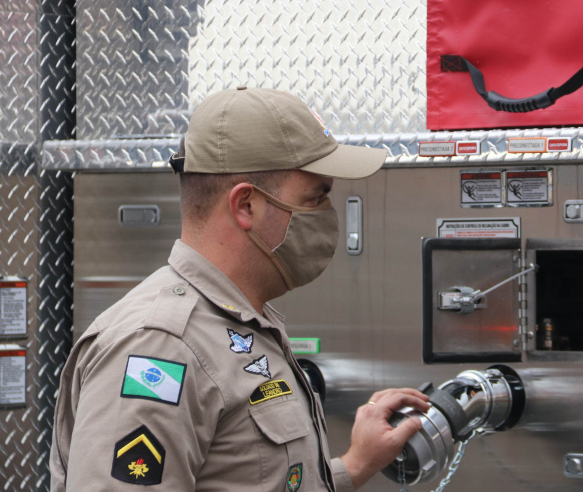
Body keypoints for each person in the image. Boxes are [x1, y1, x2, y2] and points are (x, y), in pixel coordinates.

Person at [51, 86, 429, 491]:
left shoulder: (241, 323)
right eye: (316, 197)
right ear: (246, 205)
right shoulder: (160, 347)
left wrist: (354, 465)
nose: (326, 214)